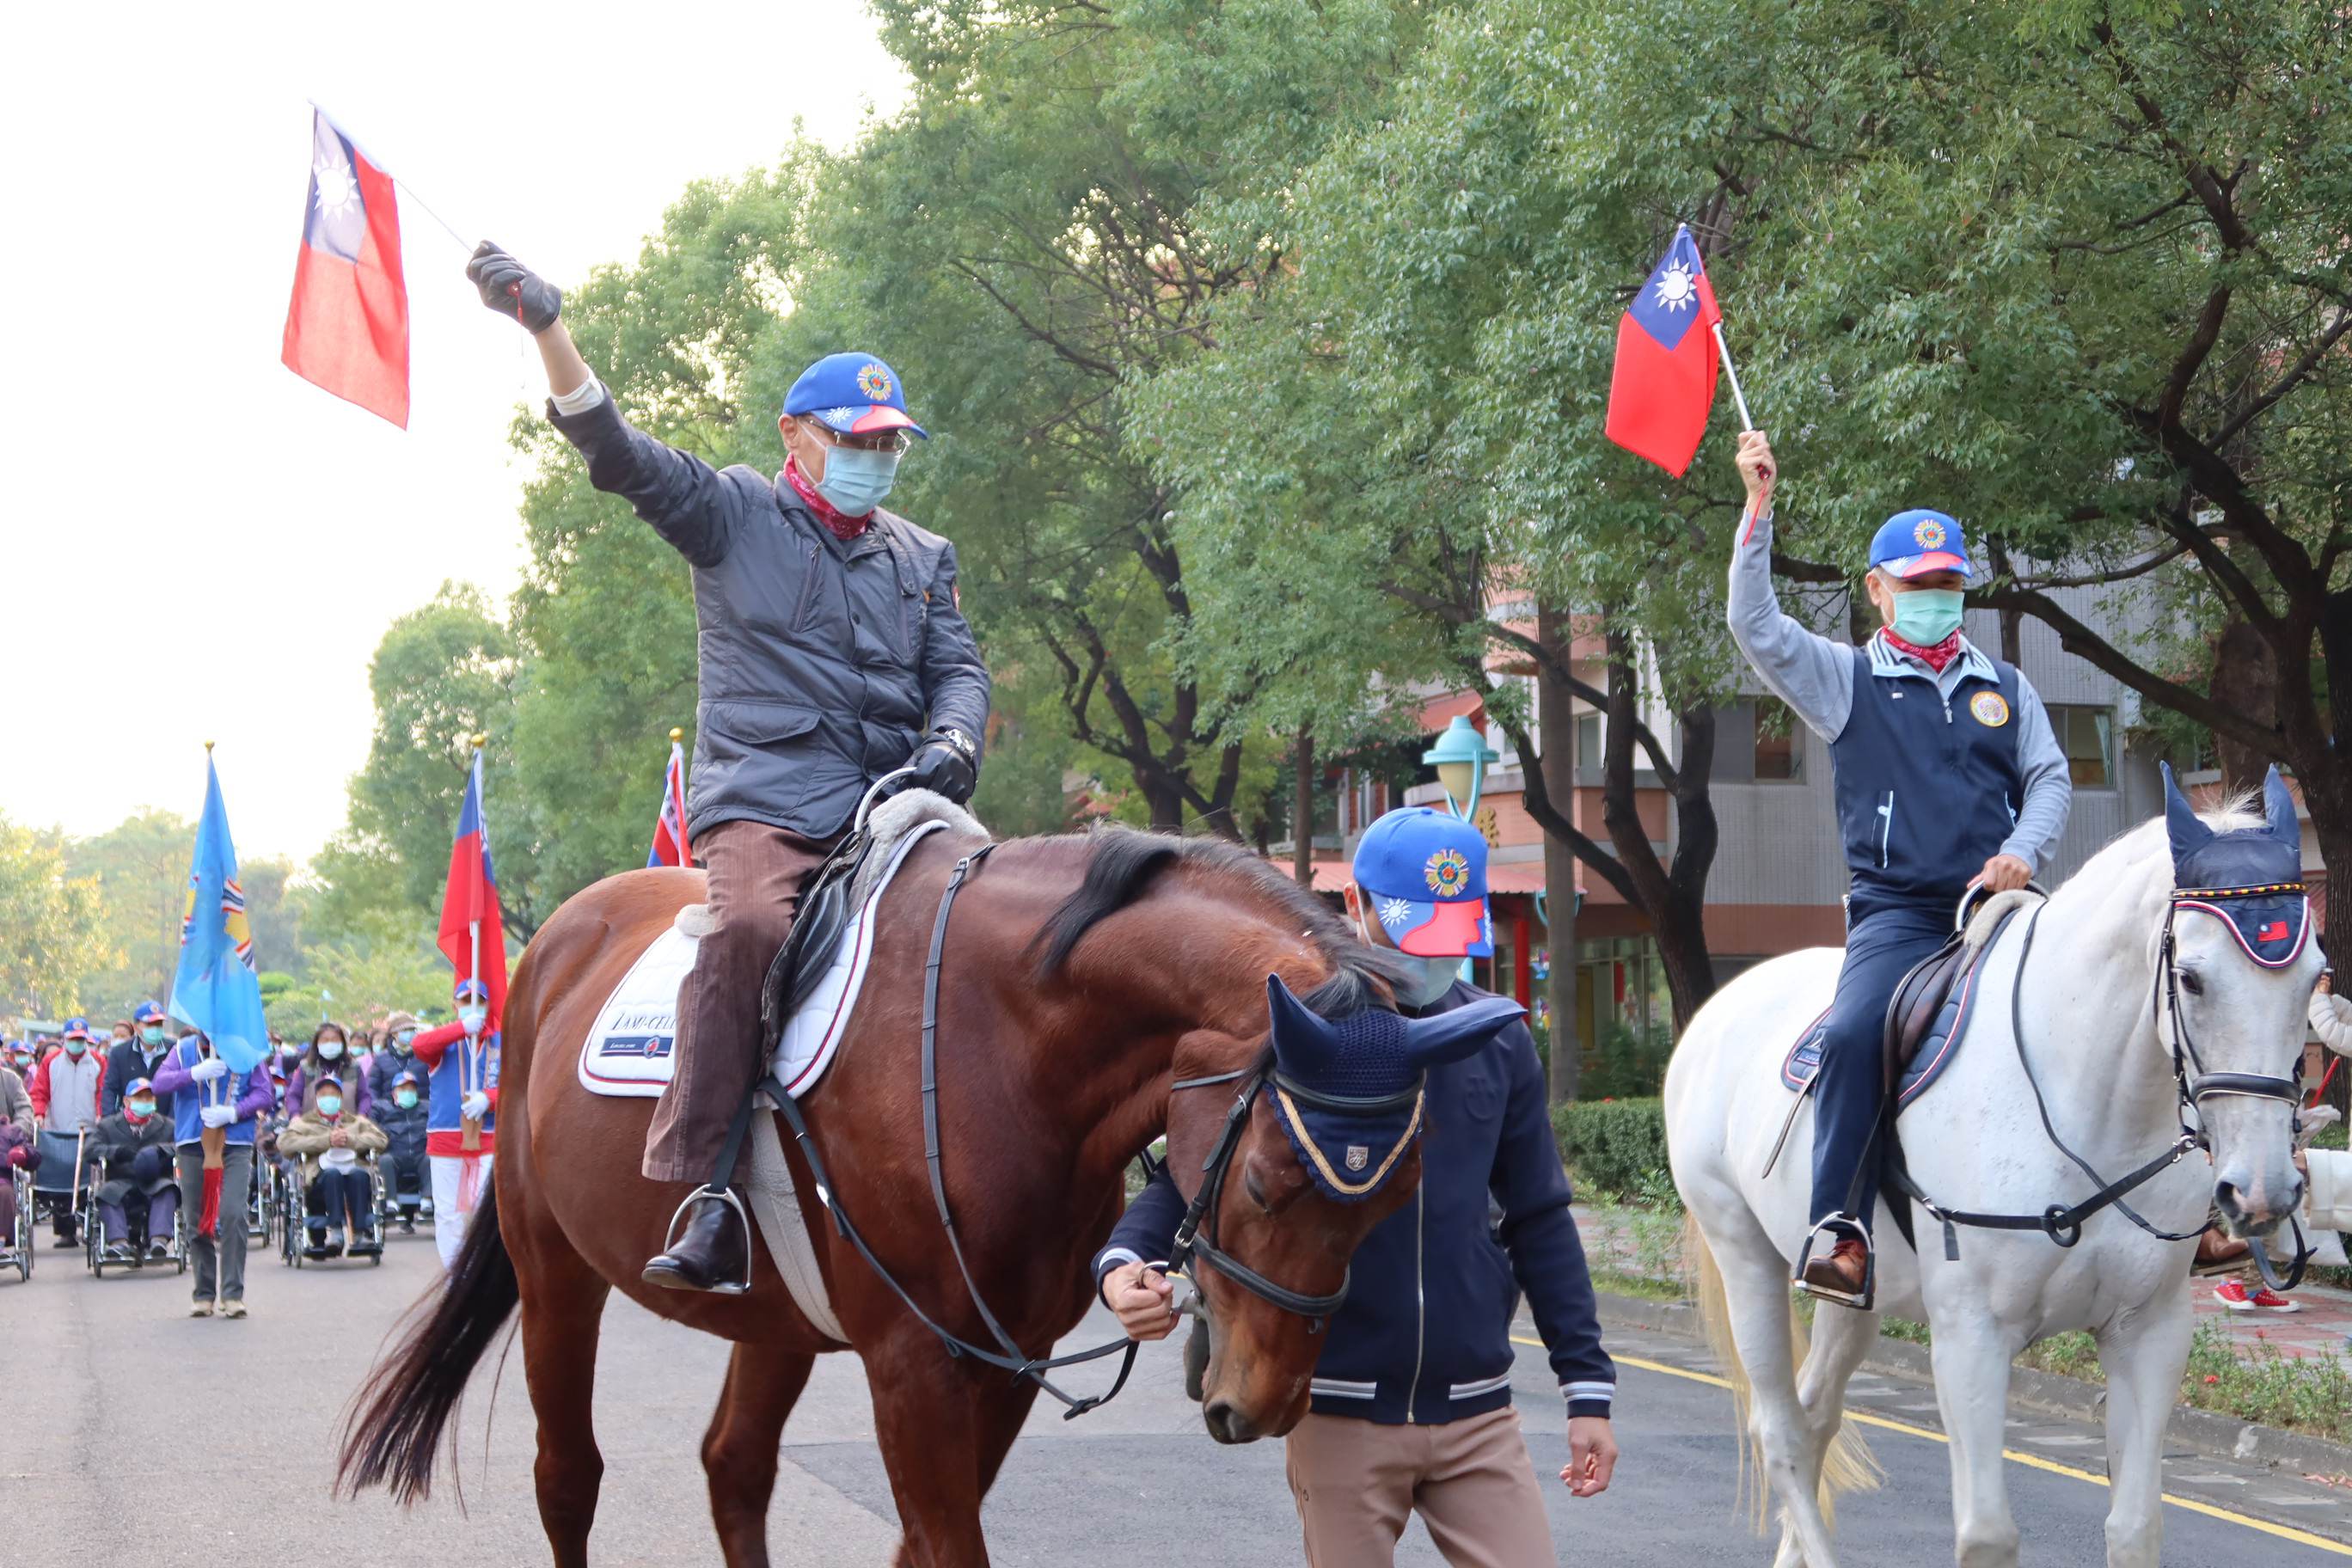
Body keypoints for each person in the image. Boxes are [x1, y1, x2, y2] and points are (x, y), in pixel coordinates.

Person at [464, 241, 993, 1294]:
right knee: (750, 927)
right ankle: (707, 1191)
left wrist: (954, 741)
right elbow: (615, 453)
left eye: (890, 444)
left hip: (903, 809)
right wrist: (546, 329)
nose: (877, 459)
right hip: (768, 811)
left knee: (1019, 929)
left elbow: (960, 672)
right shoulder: (736, 511)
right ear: (797, 435)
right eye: (857, 440)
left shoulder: (924, 555)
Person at [1096, 809, 1618, 1566]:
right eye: (1411, 932)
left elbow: (1540, 1217)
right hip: (1340, 1412)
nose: (1429, 959)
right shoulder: (1294, 1037)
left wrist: (1587, 1391)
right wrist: (1121, 1265)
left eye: (1448, 935)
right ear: (1357, 908)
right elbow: (1200, 1177)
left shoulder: (1497, 1038)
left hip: (1478, 1410)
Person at [1726, 431, 2073, 1304]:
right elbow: (1755, 627)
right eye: (1918, 587)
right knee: (1851, 1034)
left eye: (1949, 584)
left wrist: (2021, 853)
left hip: (2005, 909)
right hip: (1901, 917)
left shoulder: (2007, 685)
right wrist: (1758, 511)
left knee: (2119, 998)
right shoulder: (1843, 680)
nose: (1936, 598)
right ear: (1879, 591)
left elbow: (2050, 777)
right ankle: (1836, 1226)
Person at [150, 1030, 272, 1319]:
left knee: (232, 1213)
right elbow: (159, 1083)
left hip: (235, 1142)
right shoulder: (183, 1049)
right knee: (197, 1219)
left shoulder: (244, 1047)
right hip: (194, 1141)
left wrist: (234, 1112)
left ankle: (232, 1294)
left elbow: (265, 1092)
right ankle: (204, 1292)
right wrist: (192, 1073)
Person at [411, 979, 499, 1269]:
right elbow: (419, 1045)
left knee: (484, 1208)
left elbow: (518, 1082)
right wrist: (461, 1028)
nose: (472, 1006)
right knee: (448, 1212)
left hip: (488, 1137)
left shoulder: (502, 1042)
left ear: (487, 1006)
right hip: (446, 1139)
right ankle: (454, 1271)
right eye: (465, 1001)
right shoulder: (445, 1044)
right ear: (455, 1006)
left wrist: (489, 1098)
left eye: (479, 1001)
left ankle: (480, 1266)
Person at [277, 1072, 389, 1259]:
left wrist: (350, 1139)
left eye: (333, 1095)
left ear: (340, 1098)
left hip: (352, 1171)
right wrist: (326, 1140)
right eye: (324, 1095)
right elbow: (285, 1144)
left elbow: (381, 1140)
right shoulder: (305, 1123)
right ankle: (336, 1233)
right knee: (332, 1174)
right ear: (317, 1098)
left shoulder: (355, 1122)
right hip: (319, 1179)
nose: (329, 1098)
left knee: (360, 1175)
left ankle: (360, 1235)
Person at [28, 1017, 106, 1246]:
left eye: (81, 1040)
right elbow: (40, 1092)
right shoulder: (51, 1062)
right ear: (64, 1039)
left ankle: (89, 1225)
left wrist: (101, 1113)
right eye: (73, 1039)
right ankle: (65, 1232)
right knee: (61, 1181)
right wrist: (39, 1113)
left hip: (89, 1129)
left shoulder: (98, 1062)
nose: (77, 1044)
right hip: (58, 1130)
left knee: (87, 1180)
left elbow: (102, 1092)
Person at [86, 1077, 180, 1263]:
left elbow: (183, 1147)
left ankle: (158, 1241)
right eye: (140, 1097)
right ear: (127, 1101)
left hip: (155, 1179)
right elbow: (89, 1150)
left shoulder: (168, 1125)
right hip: (122, 1181)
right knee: (106, 1193)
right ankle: (118, 1242)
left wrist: (161, 1150)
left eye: (149, 1098)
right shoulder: (108, 1126)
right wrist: (116, 1152)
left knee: (169, 1190)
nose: (145, 1101)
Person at [376, 1066, 430, 1233]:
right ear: (394, 1093)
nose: (408, 1092)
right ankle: (391, 1202)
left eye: (411, 1088)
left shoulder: (427, 1108)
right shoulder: (383, 1109)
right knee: (384, 1160)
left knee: (431, 1159)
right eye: (403, 1089)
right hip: (395, 1154)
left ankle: (428, 1200)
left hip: (420, 1153)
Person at [285, 1020, 371, 1121]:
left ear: (342, 1043)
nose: (330, 1044)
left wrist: (362, 1115)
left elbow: (364, 1096)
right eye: (325, 1040)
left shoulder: (354, 1067)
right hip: (312, 1128)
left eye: (334, 1040)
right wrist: (295, 1115)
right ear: (317, 1044)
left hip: (348, 1126)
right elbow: (294, 1096)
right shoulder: (306, 1068)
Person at [103, 1002, 177, 1119]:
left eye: (159, 1024)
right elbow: (110, 1089)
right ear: (136, 1027)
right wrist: (110, 1122)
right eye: (149, 1024)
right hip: (128, 1125)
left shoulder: (174, 1050)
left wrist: (172, 1123)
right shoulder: (119, 1053)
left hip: (165, 1125)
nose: (155, 1028)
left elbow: (178, 1089)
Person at [0, 1055, 36, 1253]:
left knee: (5, 1192)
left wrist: (12, 1133)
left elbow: (24, 1110)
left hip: (4, 1156)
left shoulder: (10, 1080)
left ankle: (2, 1240)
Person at [367, 1013, 420, 1112]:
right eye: (405, 1030)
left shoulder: (422, 1056)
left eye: (412, 1030)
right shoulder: (381, 1058)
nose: (409, 1034)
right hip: (389, 1114)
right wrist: (379, 1108)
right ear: (394, 1034)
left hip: (418, 1114)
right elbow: (372, 1088)